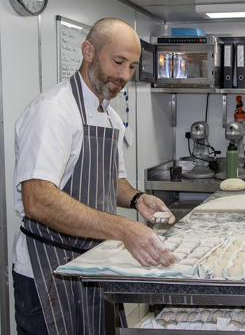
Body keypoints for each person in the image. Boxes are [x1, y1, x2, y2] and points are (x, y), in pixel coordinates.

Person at [12, 18, 176, 335]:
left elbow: (111, 181)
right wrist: (123, 229)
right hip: (48, 269)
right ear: (88, 51)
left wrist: (138, 199)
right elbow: (38, 199)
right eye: (118, 62)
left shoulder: (110, 117)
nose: (124, 76)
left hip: (92, 263)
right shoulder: (53, 111)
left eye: (131, 66)